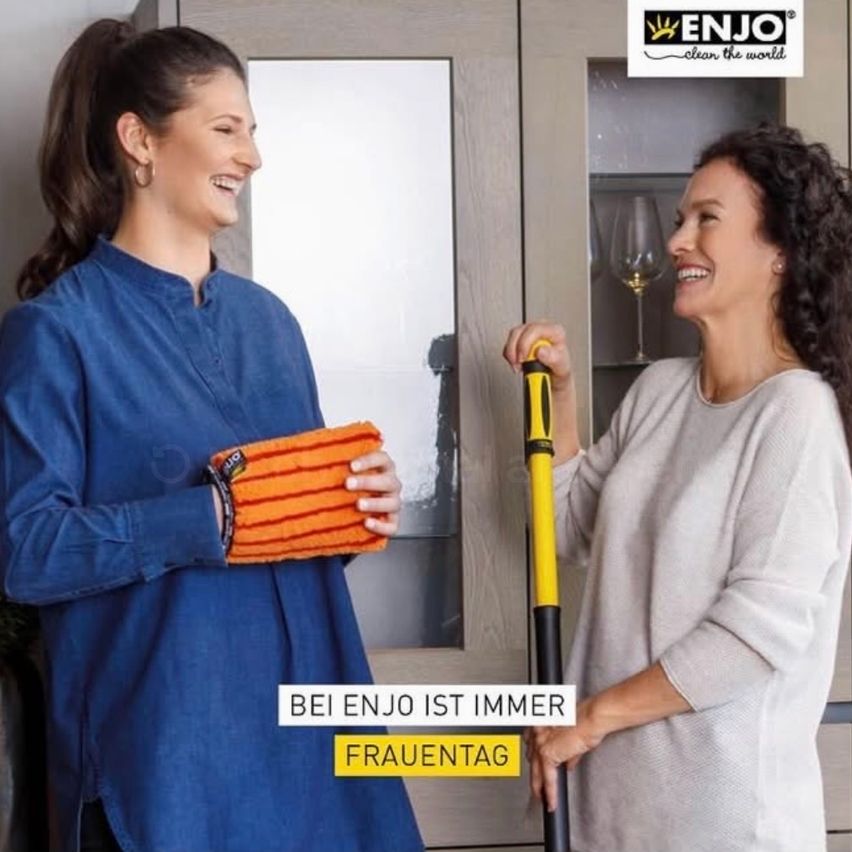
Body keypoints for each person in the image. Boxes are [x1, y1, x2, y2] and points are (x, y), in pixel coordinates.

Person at [0, 19, 423, 852]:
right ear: (140, 141)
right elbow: (25, 551)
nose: (253, 156)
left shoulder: (271, 325)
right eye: (226, 128)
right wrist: (205, 519)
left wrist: (355, 504)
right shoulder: (57, 334)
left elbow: (292, 532)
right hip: (164, 766)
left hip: (314, 751)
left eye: (252, 131)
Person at [504, 124, 852, 852]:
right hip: (608, 808)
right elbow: (562, 528)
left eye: (707, 220)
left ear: (780, 252)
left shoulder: (796, 416)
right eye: (678, 220)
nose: (676, 242)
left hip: (721, 823)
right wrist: (563, 395)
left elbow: (754, 636)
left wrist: (592, 717)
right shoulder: (660, 391)